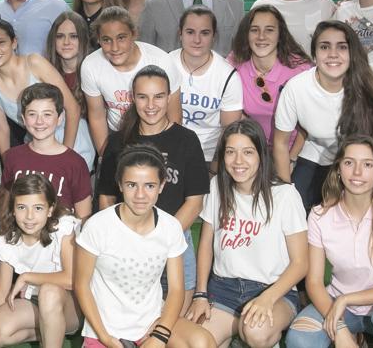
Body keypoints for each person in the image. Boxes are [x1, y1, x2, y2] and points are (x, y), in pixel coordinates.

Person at [285, 136, 373, 348]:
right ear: (338, 168)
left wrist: (346, 299)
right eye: (349, 163)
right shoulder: (320, 215)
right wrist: (339, 329)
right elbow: (313, 282)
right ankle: (355, 335)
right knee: (300, 339)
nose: (357, 173)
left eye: (367, 164)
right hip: (340, 305)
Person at [187, 119, 308, 348]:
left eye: (248, 152)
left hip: (272, 289)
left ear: (261, 155)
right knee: (195, 340)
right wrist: (200, 294)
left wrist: (267, 298)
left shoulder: (285, 195)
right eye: (231, 152)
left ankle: (258, 338)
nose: (238, 161)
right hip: (223, 288)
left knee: (255, 332)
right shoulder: (217, 188)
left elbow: (301, 263)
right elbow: (206, 244)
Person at [96, 67, 209, 307]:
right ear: (132, 98)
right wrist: (126, 238)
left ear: (169, 97)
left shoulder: (187, 140)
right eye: (142, 96)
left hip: (174, 241)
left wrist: (161, 238)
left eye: (158, 96)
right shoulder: (118, 141)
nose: (151, 105)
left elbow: (195, 201)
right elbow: (106, 196)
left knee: (172, 326)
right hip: (125, 241)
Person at [75, 143, 205, 348]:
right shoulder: (97, 226)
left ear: (162, 185)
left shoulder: (170, 227)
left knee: (201, 342)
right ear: (120, 184)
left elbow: (176, 289)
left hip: (152, 325)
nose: (140, 195)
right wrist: (105, 337)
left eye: (150, 185)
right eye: (131, 185)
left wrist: (160, 335)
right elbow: (81, 285)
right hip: (105, 330)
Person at [272, 20, 373, 210]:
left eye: (342, 47)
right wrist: (286, 189)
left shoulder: (372, 78)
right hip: (316, 156)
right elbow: (280, 143)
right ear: (314, 54)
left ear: (352, 53)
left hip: (361, 162)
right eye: (324, 47)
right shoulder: (297, 87)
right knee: (295, 207)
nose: (333, 54)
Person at [0, 174, 81, 348]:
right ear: (12, 209)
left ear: (50, 209)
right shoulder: (7, 241)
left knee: (49, 292)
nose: (29, 216)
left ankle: (51, 336)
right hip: (33, 302)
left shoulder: (63, 228)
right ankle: (49, 331)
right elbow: (2, 292)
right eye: (21, 207)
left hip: (69, 304)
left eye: (38, 208)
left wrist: (27, 277)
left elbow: (71, 279)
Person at [0, 19, 93, 169]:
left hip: (71, 140)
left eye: (1, 42)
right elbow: (1, 126)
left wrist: (65, 156)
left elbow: (73, 108)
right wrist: (8, 166)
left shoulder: (34, 62)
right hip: (36, 146)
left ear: (14, 42)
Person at [79, 6, 179, 153]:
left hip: (157, 133)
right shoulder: (91, 65)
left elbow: (174, 113)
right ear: (98, 40)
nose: (115, 47)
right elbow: (97, 116)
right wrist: (105, 156)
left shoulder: (161, 60)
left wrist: (169, 152)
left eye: (121, 38)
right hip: (117, 135)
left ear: (134, 34)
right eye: (107, 40)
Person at [0, 83, 93, 223]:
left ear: (59, 118)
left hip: (60, 240)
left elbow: (83, 217)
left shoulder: (75, 163)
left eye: (47, 114)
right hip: (21, 240)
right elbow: (4, 206)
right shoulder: (13, 157)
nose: (39, 121)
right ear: (23, 118)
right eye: (32, 114)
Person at [227, 5, 311, 143]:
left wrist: (291, 159)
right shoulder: (234, 62)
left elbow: (309, 122)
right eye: (254, 30)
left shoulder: (300, 69)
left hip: (297, 150)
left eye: (269, 30)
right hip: (256, 147)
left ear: (280, 35)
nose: (261, 37)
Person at [170, 6, 244, 165]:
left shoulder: (228, 76)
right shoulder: (165, 65)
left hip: (208, 156)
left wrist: (215, 168)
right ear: (180, 34)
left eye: (205, 33)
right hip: (169, 150)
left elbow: (229, 131)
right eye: (190, 32)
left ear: (214, 36)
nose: (197, 40)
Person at [44, 11, 90, 122]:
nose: (66, 42)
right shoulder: (44, 72)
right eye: (60, 36)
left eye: (73, 36)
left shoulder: (93, 72)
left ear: (83, 39)